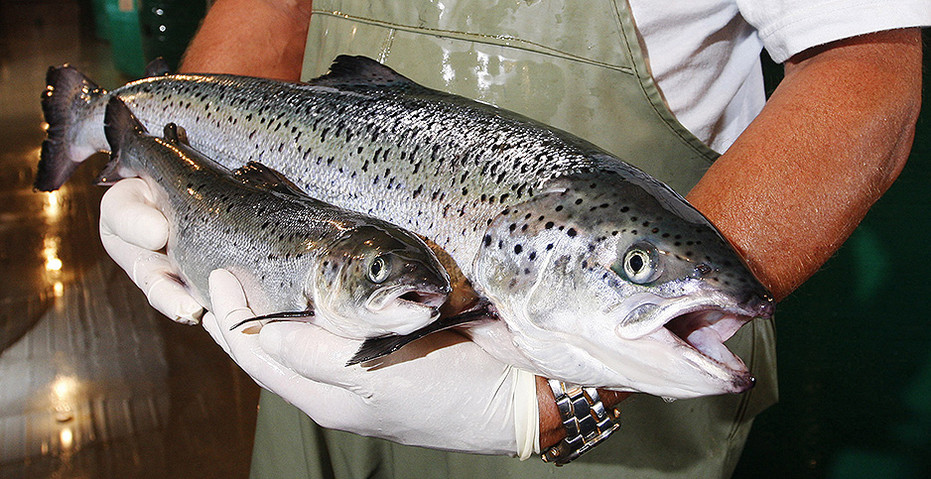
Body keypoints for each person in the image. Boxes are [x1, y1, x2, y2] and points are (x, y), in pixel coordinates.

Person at [98, 0, 927, 477]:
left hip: (614, 424)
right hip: (317, 362)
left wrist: (562, 397)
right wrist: (182, 183)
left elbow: (866, 66)